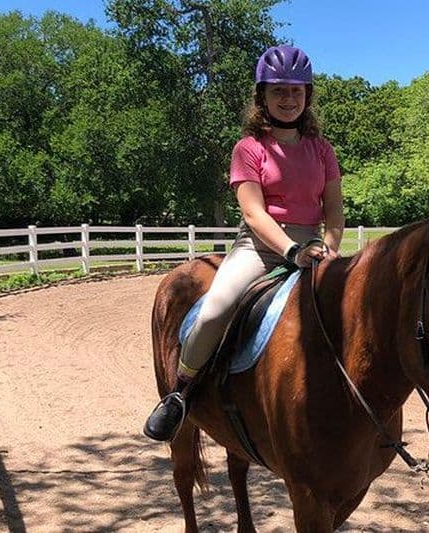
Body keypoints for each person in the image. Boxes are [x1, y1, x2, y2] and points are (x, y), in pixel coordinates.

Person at [143, 44, 344, 441]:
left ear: (307, 96)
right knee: (215, 309)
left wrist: (332, 248)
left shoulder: (322, 150)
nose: (289, 99)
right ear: (262, 97)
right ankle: (180, 393)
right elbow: (254, 213)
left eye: (296, 91)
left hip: (315, 247)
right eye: (279, 91)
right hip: (261, 247)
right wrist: (291, 251)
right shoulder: (248, 149)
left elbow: (334, 209)